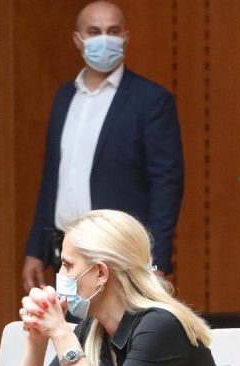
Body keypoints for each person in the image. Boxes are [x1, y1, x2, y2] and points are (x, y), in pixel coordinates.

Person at [11, 209, 232, 366]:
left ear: (100, 273)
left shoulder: (161, 327)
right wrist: (36, 341)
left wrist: (61, 333)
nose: (60, 274)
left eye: (67, 265)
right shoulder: (92, 329)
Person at [22, 0, 183, 292]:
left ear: (126, 37)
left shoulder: (151, 100)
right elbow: (53, 178)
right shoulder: (65, 97)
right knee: (67, 323)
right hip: (67, 253)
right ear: (78, 39)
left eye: (113, 31)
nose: (104, 39)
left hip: (121, 256)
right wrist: (36, 249)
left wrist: (156, 263)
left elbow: (166, 185)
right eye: (94, 32)